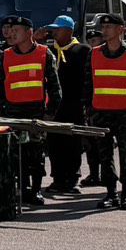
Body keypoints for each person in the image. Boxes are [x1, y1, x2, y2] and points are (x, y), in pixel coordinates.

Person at [85, 13, 126, 210]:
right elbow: (87, 86)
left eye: (109, 27)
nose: (104, 31)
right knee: (105, 156)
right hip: (100, 114)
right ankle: (111, 193)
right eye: (103, 27)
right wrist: (89, 112)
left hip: (125, 114)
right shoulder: (94, 53)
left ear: (121, 30)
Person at [0, 15, 61, 207]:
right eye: (11, 30)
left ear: (29, 32)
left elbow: (55, 88)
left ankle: (36, 190)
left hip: (35, 112)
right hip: (13, 112)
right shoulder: (5, 55)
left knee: (36, 153)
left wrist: (49, 114)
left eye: (16, 30)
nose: (12, 34)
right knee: (18, 153)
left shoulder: (44, 53)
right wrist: (2, 112)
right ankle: (22, 188)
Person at [44, 16, 90, 196]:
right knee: (54, 142)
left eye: (58, 29)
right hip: (54, 105)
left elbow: (87, 79)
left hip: (74, 104)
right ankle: (58, 178)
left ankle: (73, 178)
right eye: (54, 29)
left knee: (73, 143)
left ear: (69, 31)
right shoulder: (49, 50)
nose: (54, 32)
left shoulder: (82, 50)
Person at [80, 27, 106, 187]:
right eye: (89, 41)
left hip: (105, 107)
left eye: (94, 41)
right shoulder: (89, 57)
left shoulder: (106, 56)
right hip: (91, 108)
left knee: (104, 145)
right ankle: (94, 174)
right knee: (91, 145)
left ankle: (106, 175)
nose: (91, 44)